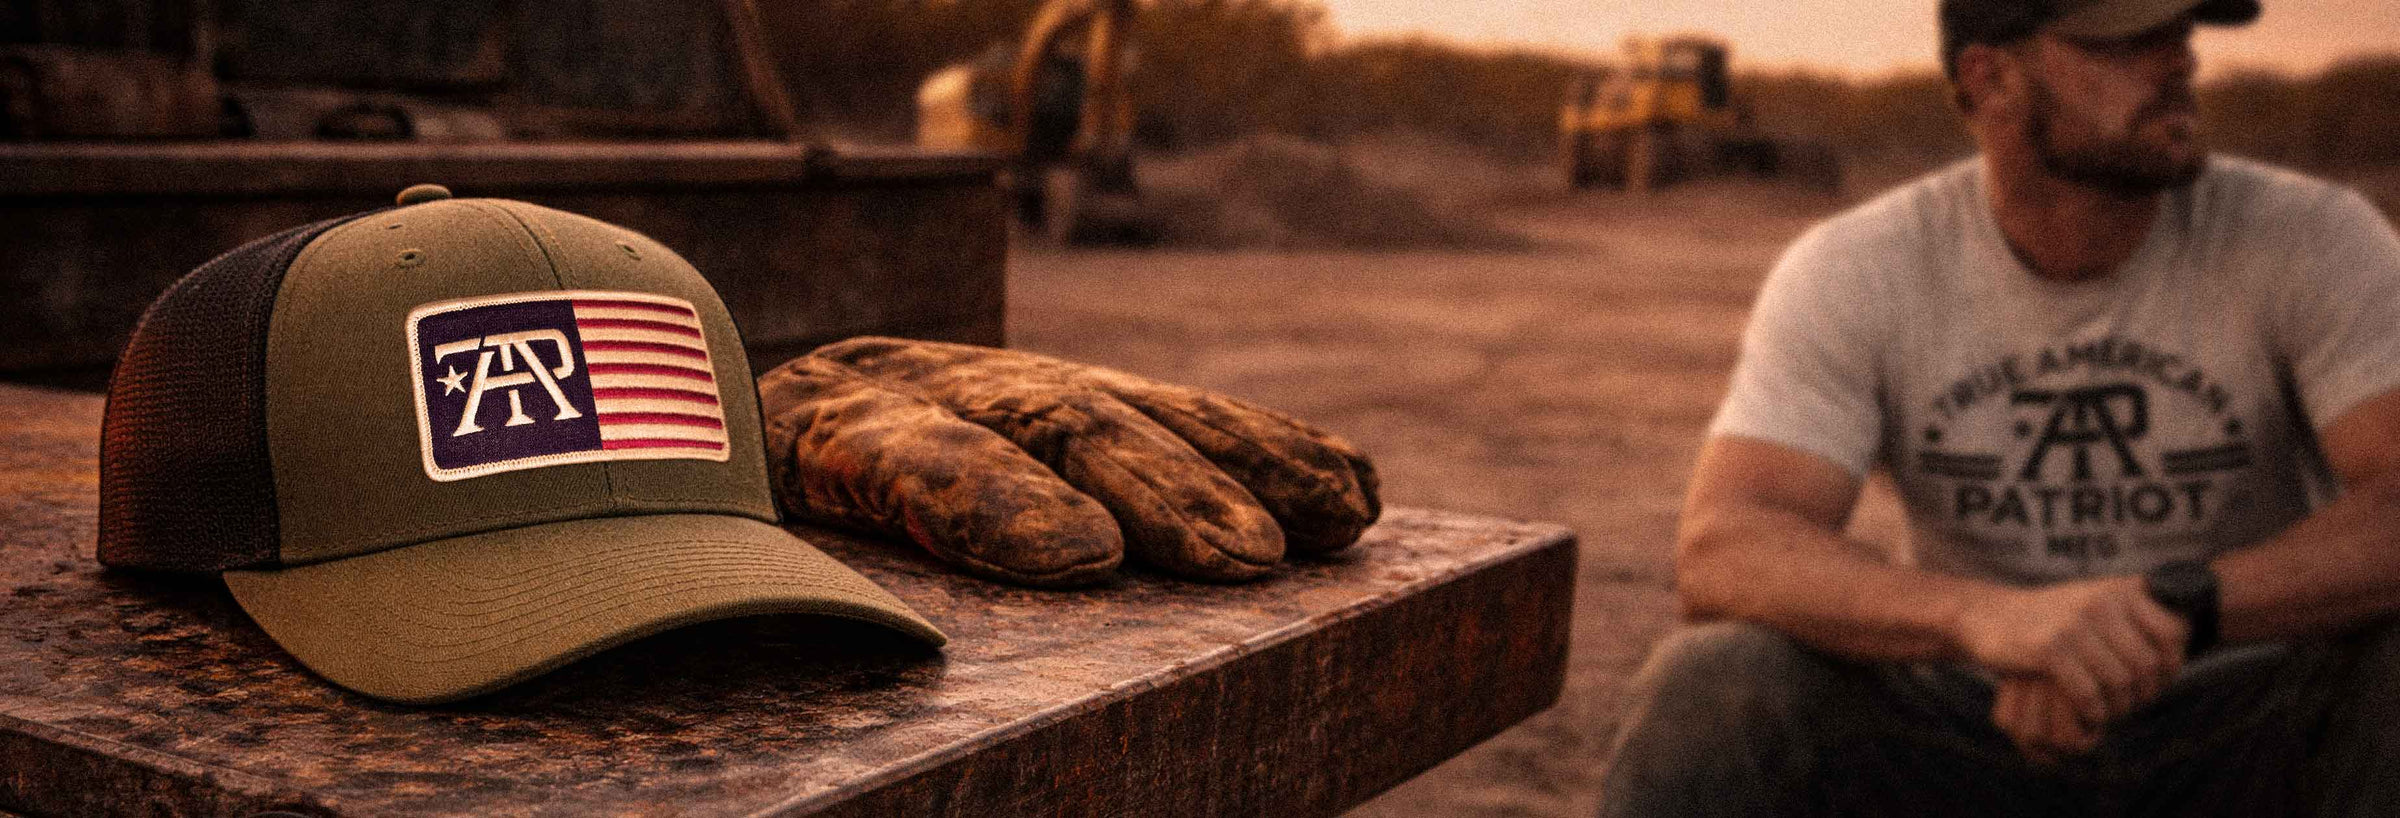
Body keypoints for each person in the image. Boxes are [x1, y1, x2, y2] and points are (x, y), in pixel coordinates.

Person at [1597, 0, 2400, 814]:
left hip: (2244, 717)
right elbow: (1728, 543)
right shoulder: (1860, 267)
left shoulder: (2312, 236)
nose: (2181, 61)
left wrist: (2173, 606)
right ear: (1991, 78)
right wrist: (1987, 620)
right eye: (2128, 42)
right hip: (1968, 730)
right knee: (1718, 684)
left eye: (2183, 34)